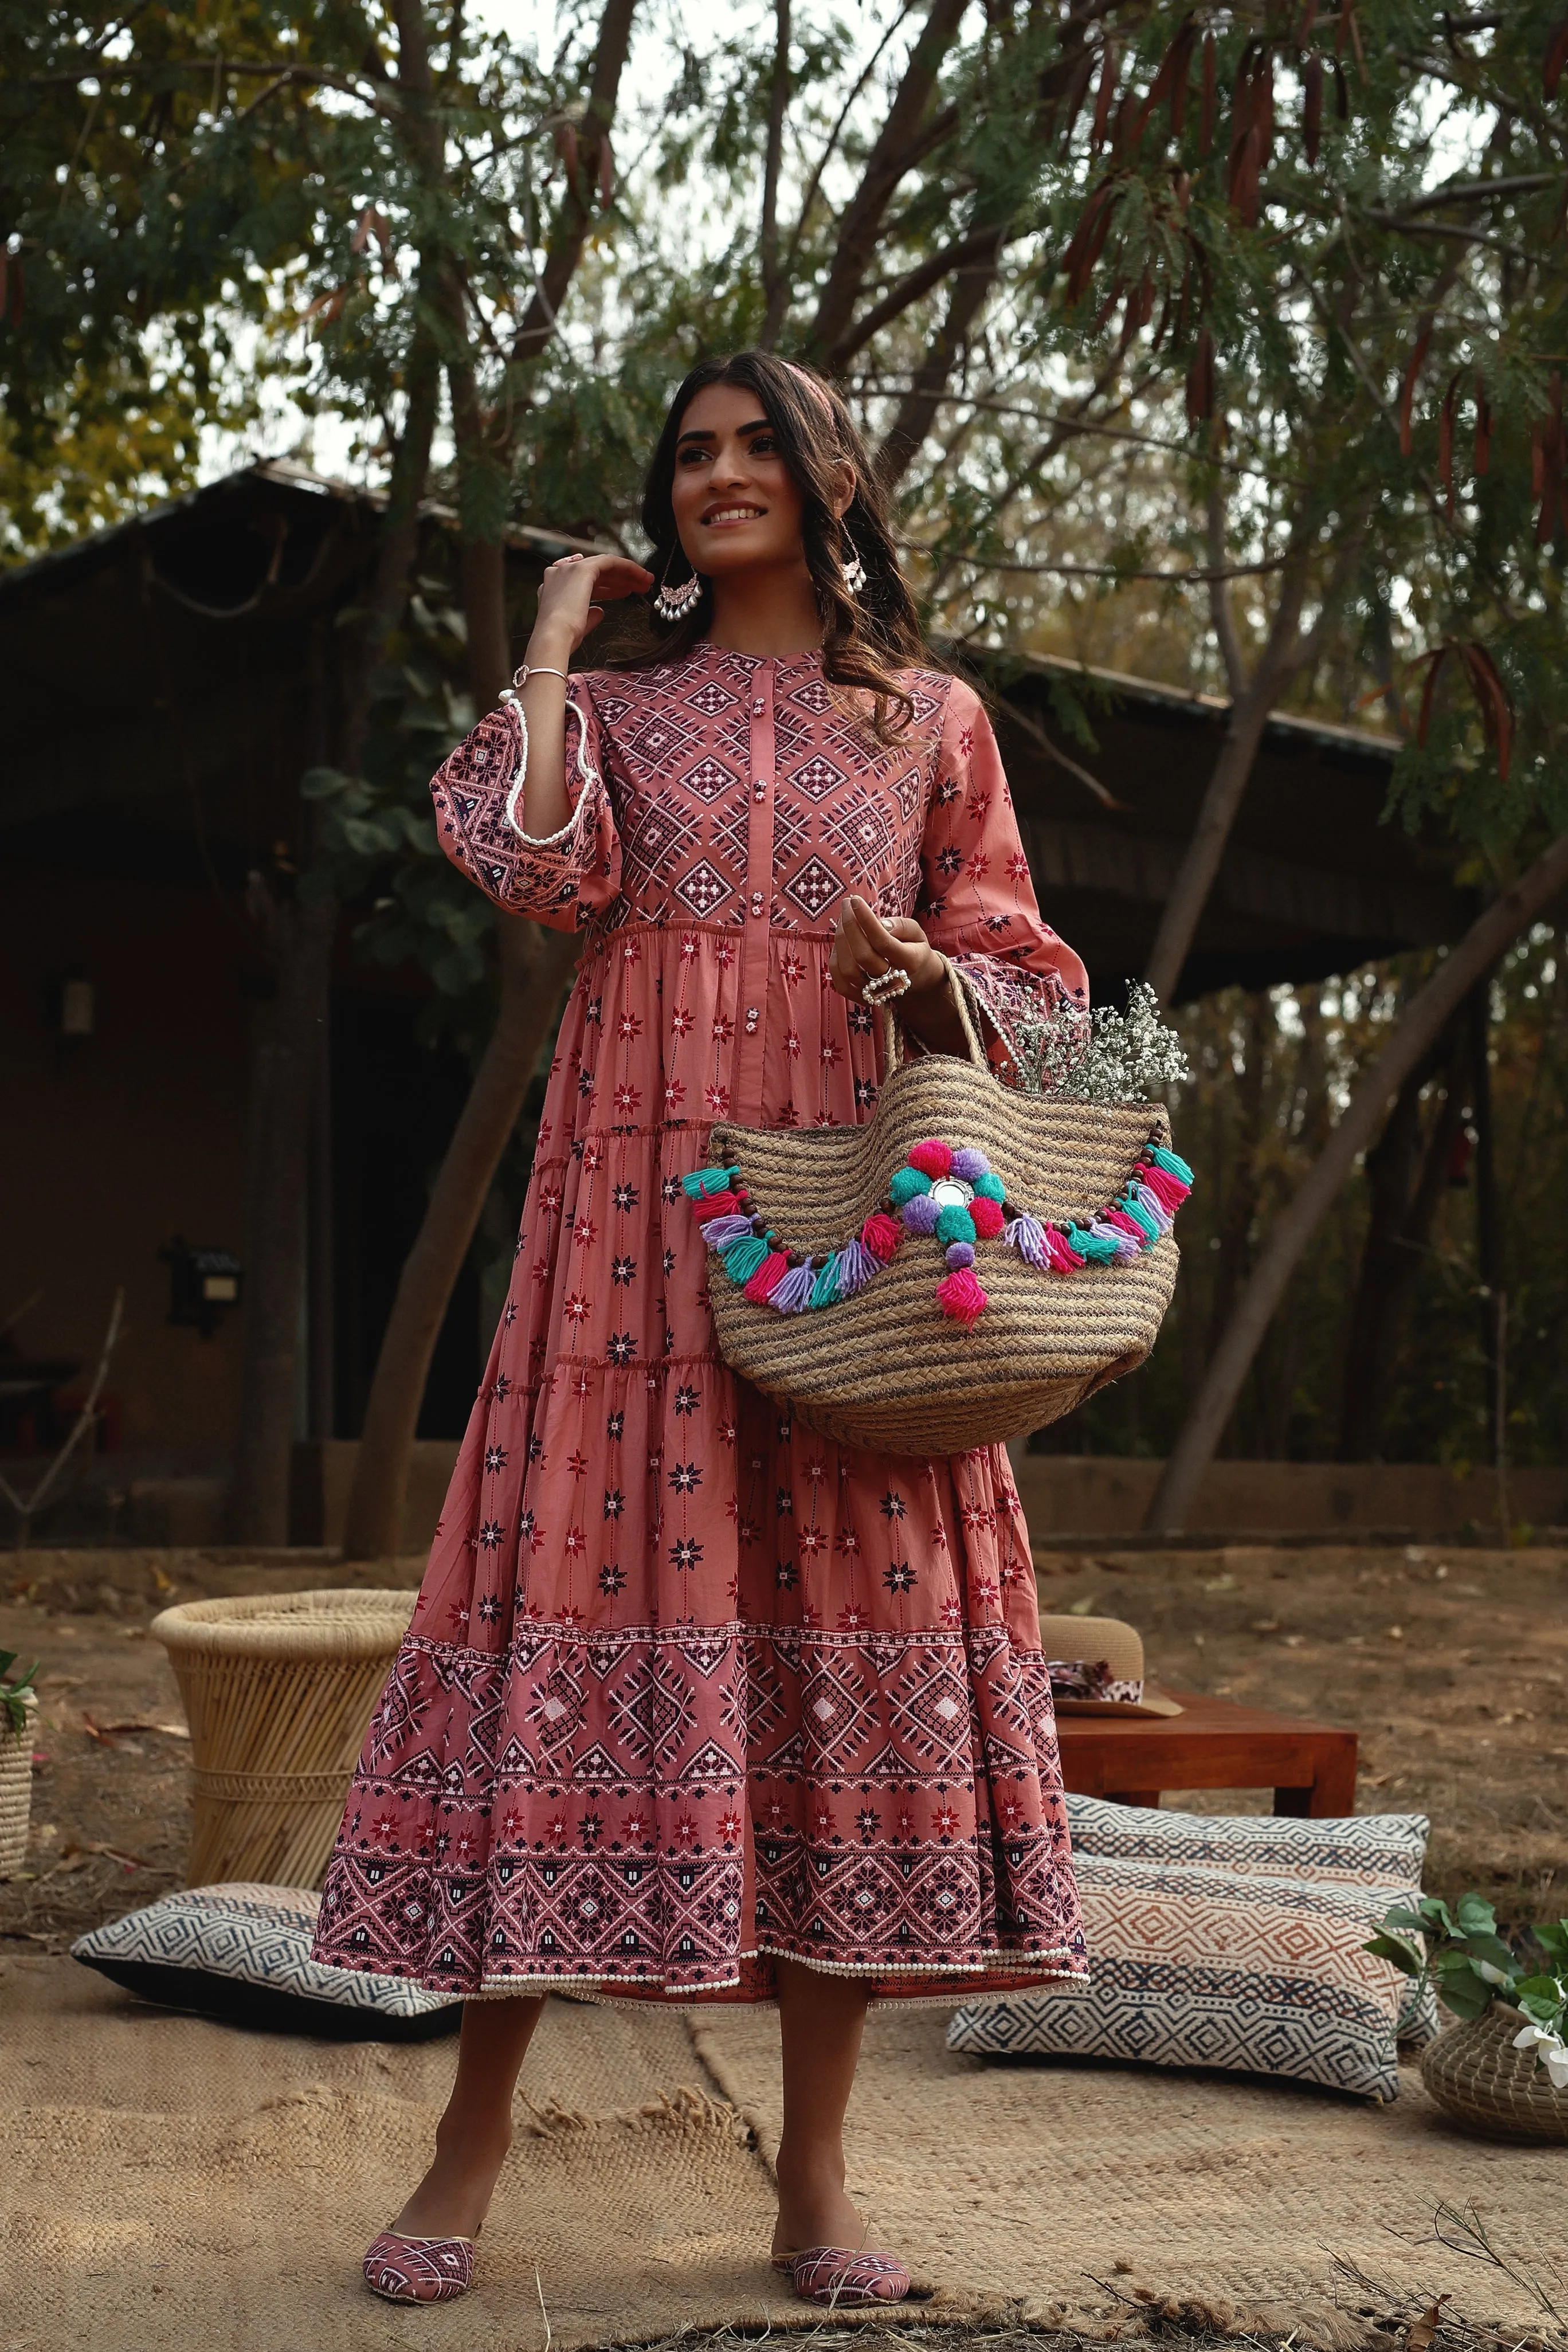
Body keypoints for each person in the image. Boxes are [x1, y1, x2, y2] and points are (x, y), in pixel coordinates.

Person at [313, 350, 1092, 2311]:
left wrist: (930, 974)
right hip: (638, 1232)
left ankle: (815, 2184)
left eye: (756, 448)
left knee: (852, 1647)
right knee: (566, 1622)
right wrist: (563, 644)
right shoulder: (635, 713)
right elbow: (532, 863)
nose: (718, 478)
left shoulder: (931, 721)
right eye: (691, 456)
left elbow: (1036, 983)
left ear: (829, 476)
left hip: (844, 1231)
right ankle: (463, 2153)